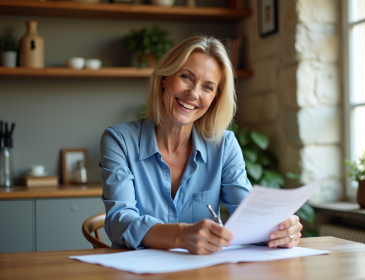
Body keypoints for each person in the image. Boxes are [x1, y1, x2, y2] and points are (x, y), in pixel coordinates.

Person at [100, 35, 302, 255]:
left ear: (215, 97)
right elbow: (119, 222)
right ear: (164, 79)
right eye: (186, 77)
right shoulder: (119, 141)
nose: (194, 93)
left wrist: (279, 230)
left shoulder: (224, 146)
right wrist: (180, 235)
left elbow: (249, 217)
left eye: (208, 87)